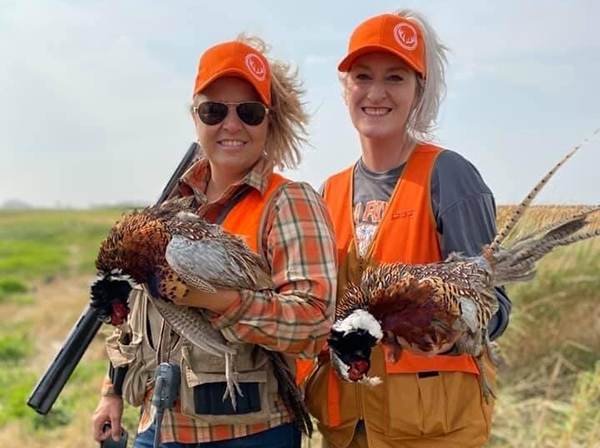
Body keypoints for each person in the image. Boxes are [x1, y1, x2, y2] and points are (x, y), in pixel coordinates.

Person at [91, 35, 337, 448]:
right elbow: (131, 316)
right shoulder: (171, 206)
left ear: (269, 120)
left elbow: (314, 325)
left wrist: (216, 300)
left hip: (248, 434)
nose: (232, 124)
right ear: (195, 118)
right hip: (157, 428)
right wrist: (111, 392)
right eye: (214, 110)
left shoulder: (289, 202)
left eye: (250, 112)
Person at [303, 10, 511, 448]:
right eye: (363, 76)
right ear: (345, 90)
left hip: (432, 431)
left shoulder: (449, 177)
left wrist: (451, 333)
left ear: (419, 91)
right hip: (345, 431)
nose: (376, 93)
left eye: (395, 78)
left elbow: (495, 307)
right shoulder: (329, 192)